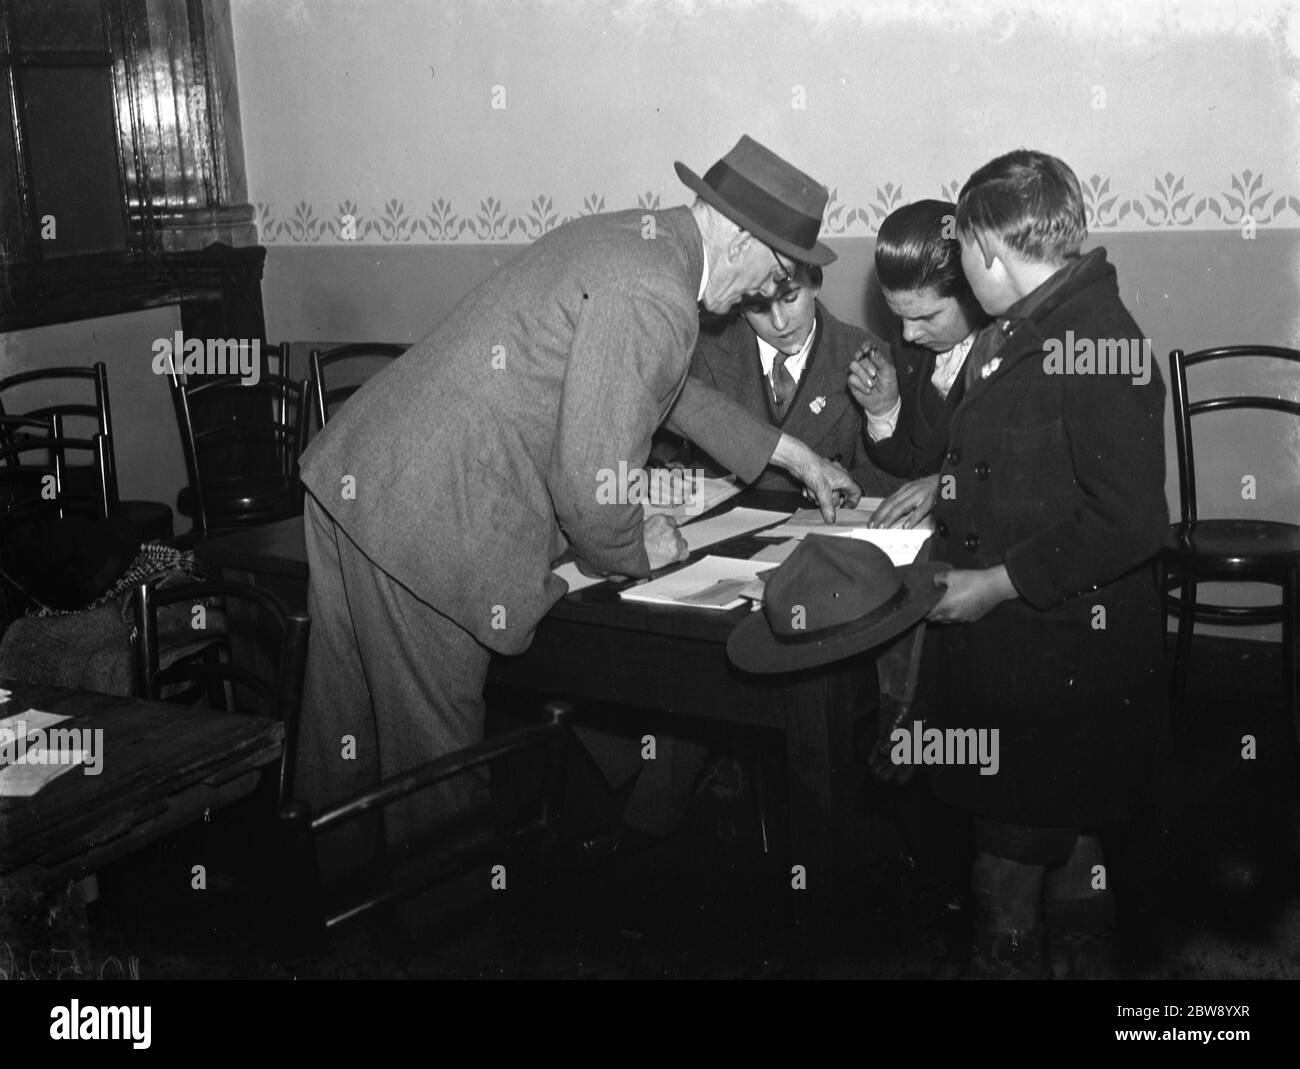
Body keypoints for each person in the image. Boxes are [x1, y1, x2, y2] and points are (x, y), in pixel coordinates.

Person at [295, 135, 861, 871]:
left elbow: (665, 387)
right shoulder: (656, 289)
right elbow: (596, 500)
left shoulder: (642, 242)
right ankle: (445, 943)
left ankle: (321, 935)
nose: (764, 292)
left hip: (361, 476)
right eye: (776, 270)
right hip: (428, 520)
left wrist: (794, 453)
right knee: (432, 783)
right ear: (746, 237)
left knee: (342, 748)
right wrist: (636, 546)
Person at [917, 149, 1167, 977]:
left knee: (1005, 872)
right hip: (1037, 656)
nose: (958, 275)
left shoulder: (1095, 339)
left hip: (1058, 654)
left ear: (990, 251)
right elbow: (1011, 458)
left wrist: (994, 583)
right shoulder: (1024, 327)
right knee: (1072, 846)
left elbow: (1128, 520)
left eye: (960, 256)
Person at [662, 261, 900, 496]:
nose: (779, 322)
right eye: (757, 307)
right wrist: (661, 474)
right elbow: (653, 445)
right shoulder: (698, 348)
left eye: (790, 299)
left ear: (815, 284)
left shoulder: (872, 359)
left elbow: (896, 475)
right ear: (739, 307)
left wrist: (851, 485)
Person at [848, 199, 986, 529]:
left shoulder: (1015, 349)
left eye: (926, 316)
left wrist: (948, 485)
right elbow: (914, 464)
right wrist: (884, 409)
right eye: (900, 316)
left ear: (974, 291)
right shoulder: (911, 344)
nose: (909, 333)